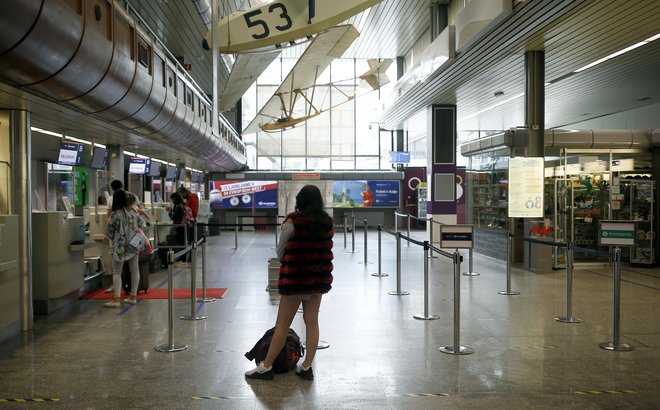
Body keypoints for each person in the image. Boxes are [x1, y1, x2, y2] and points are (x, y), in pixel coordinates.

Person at [245, 185, 334, 381]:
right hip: (317, 279)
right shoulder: (326, 222)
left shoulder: (293, 222)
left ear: (300, 201)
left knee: (282, 325)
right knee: (312, 322)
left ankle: (266, 367)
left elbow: (280, 252)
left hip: (296, 279)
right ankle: (307, 366)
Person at [104, 189, 146, 307]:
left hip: (120, 247)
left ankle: (116, 299)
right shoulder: (133, 213)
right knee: (135, 270)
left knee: (117, 272)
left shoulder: (115, 214)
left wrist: (114, 238)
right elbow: (143, 224)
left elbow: (110, 230)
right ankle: (133, 297)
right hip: (133, 245)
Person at [178, 186, 199, 261]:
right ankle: (190, 257)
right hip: (189, 221)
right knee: (190, 240)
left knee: (191, 240)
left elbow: (193, 211)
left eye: (181, 195)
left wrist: (184, 208)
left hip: (191, 221)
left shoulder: (193, 198)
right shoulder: (189, 198)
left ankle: (191, 257)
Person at [168, 192, 186, 265]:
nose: (172, 201)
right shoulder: (181, 205)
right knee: (182, 242)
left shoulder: (178, 207)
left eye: (172, 199)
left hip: (179, 227)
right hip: (181, 226)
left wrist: (170, 212)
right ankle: (182, 257)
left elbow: (173, 217)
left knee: (181, 243)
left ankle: (183, 258)